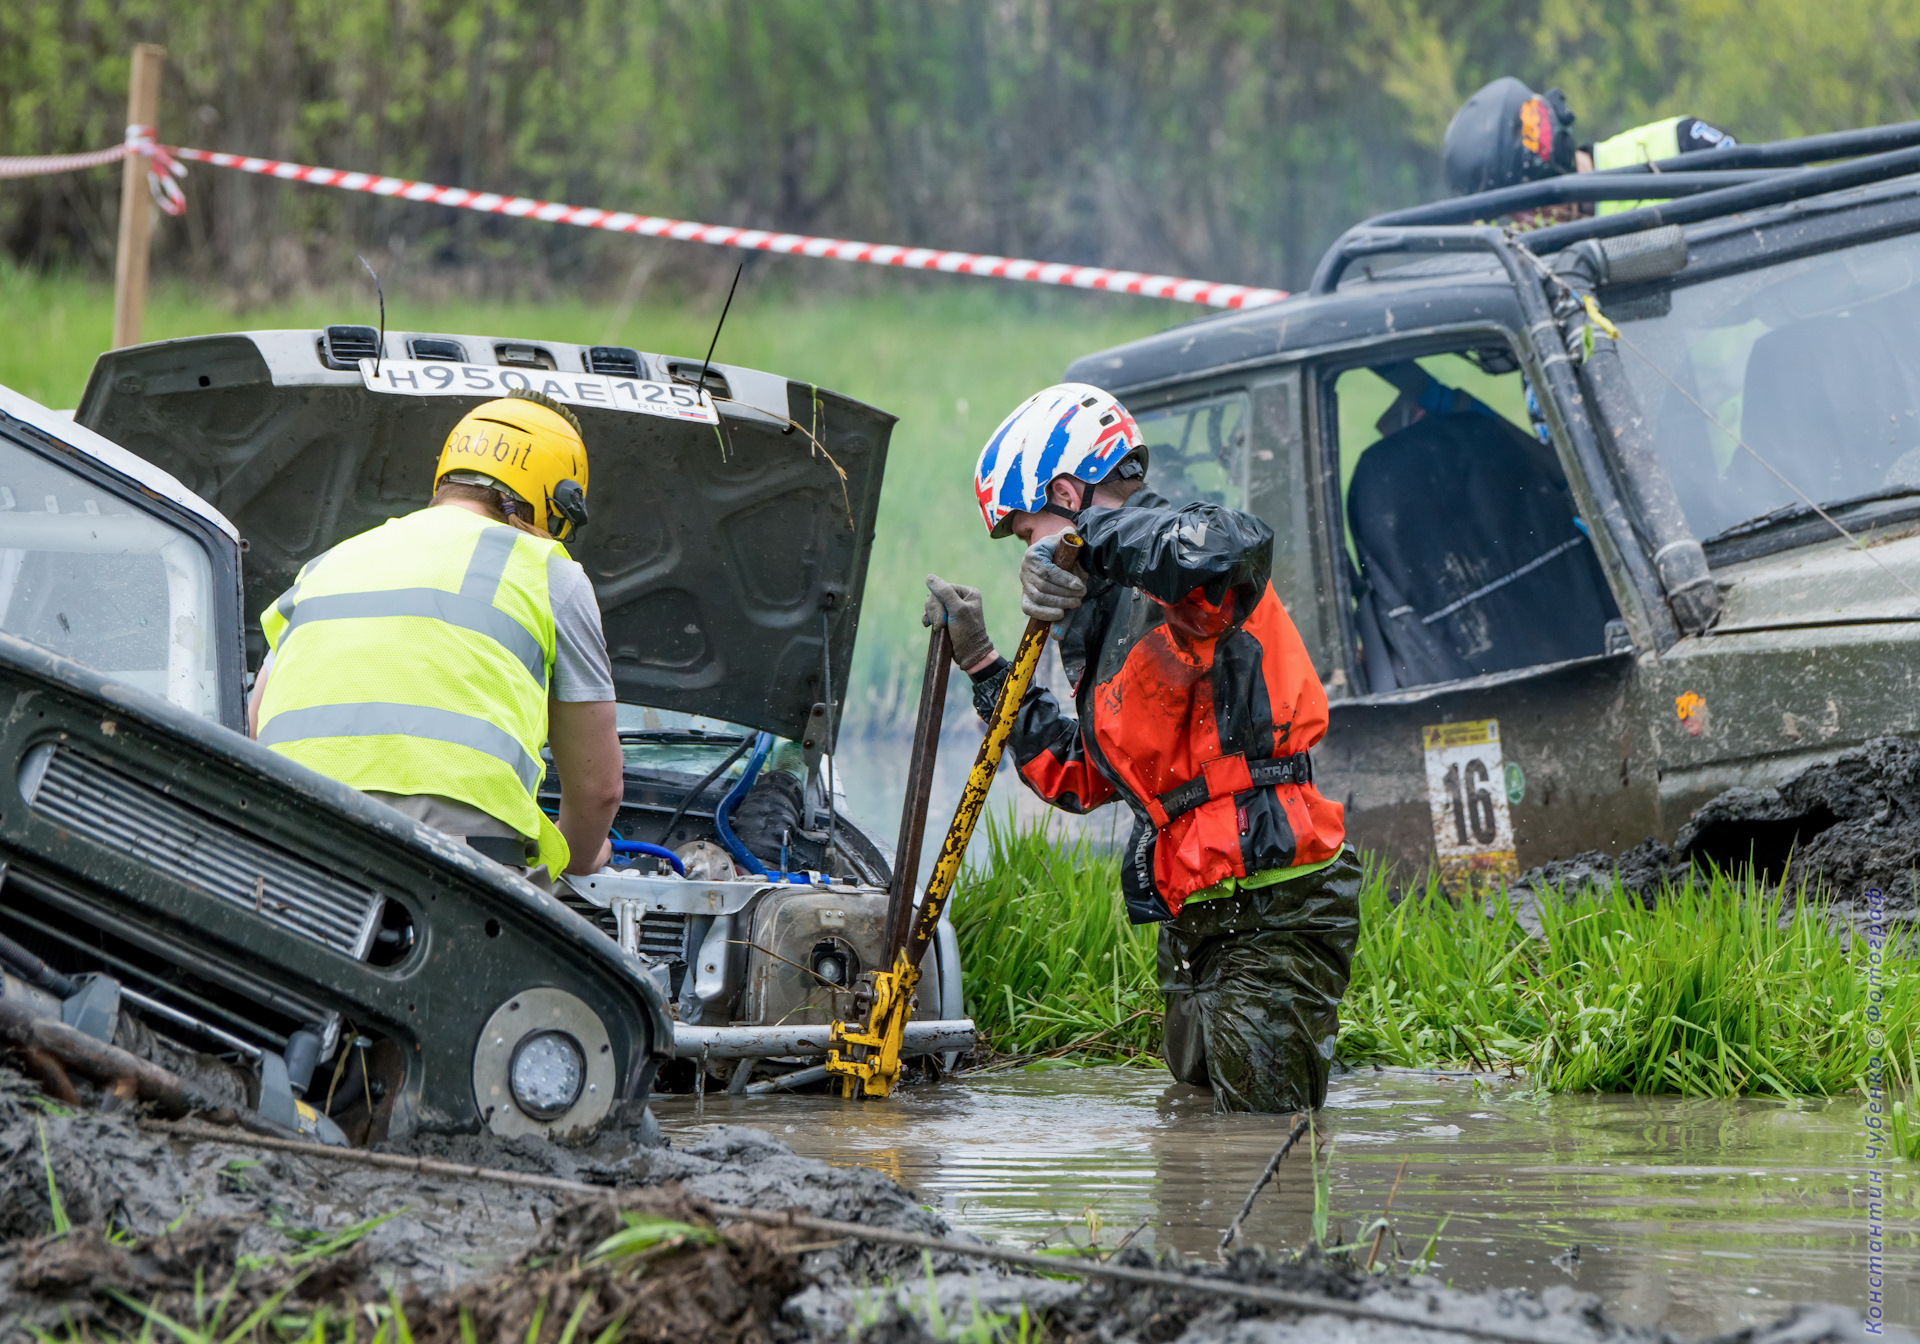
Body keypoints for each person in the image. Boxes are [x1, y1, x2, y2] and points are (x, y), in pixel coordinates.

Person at [925, 383, 1360, 1113]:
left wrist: (1087, 541)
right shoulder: (1108, 613)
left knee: (1265, 1147)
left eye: (1029, 530)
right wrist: (985, 668)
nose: (1031, 554)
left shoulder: (1180, 557)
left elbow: (1234, 545)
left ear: (1068, 490)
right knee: (1195, 1124)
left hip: (1270, 894)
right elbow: (1076, 776)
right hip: (1195, 907)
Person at [249, 389, 622, 880]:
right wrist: (578, 855)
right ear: (553, 502)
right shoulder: (546, 571)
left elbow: (256, 723)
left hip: (286, 838)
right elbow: (600, 789)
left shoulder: (330, 561)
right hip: (451, 863)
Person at [1441, 77, 1735, 214]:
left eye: (1520, 207)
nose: (1519, 226)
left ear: (1545, 160)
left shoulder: (1682, 142)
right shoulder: (1546, 276)